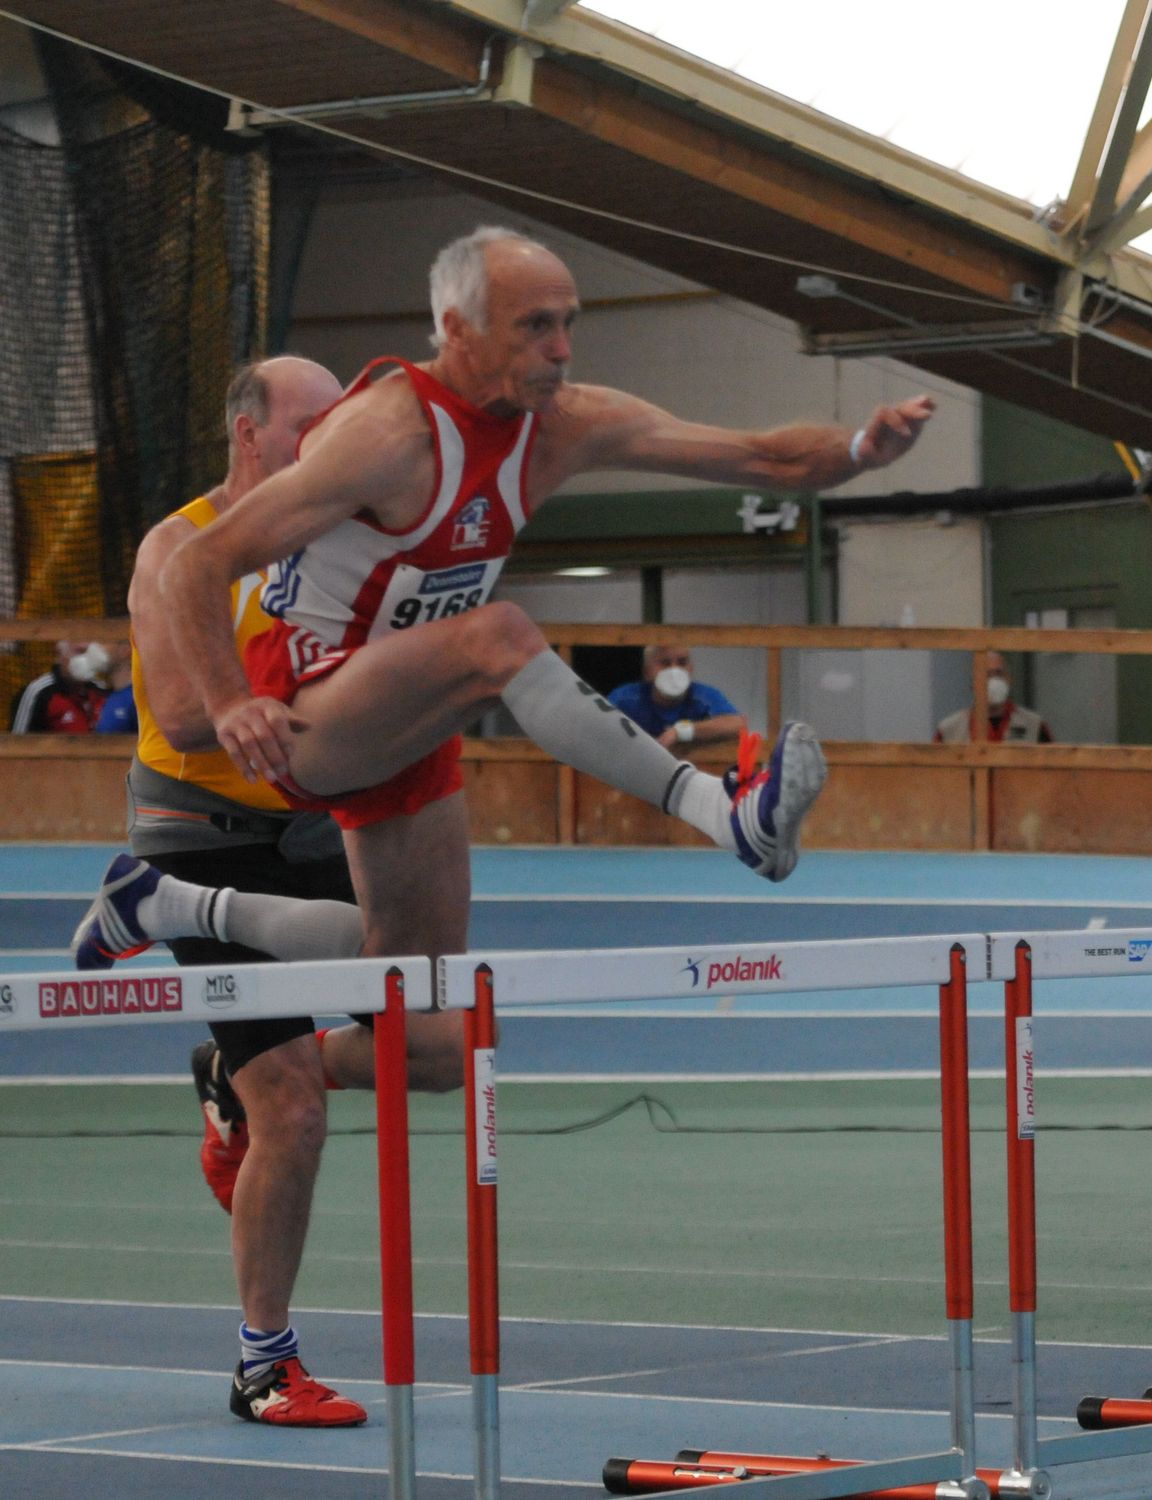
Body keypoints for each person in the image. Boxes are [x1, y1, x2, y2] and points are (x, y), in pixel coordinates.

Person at [151, 225, 930, 992]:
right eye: (534, 327)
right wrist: (229, 702)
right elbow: (197, 563)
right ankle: (724, 814)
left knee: (430, 1020)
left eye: (568, 324)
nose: (561, 350)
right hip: (309, 715)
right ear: (458, 330)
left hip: (414, 711)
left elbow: (762, 456)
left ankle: (183, 923)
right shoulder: (385, 436)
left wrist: (860, 451)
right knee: (499, 637)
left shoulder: (568, 425)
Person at [72, 356, 375, 1427]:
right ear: (250, 434)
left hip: (317, 825)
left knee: (442, 1043)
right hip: (200, 834)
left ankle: (228, 1078)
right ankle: (264, 1366)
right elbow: (186, 715)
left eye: (342, 421)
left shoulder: (344, 541)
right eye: (310, 422)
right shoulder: (180, 547)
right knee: (293, 1109)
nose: (331, 439)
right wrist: (333, 706)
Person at [607, 643, 747, 754]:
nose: (674, 670)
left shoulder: (702, 696)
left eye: (682, 662)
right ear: (647, 672)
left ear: (691, 669)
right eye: (665, 663)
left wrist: (681, 731)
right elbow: (600, 727)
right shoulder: (625, 698)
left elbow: (737, 724)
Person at [936, 651, 1054, 743]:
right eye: (986, 675)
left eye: (999, 674)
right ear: (973, 683)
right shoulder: (950, 730)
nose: (994, 681)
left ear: (1009, 679)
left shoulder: (1034, 726)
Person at [12, 639, 116, 733]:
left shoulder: (101, 690)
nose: (84, 660)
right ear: (60, 653)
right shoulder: (39, 693)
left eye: (87, 654)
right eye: (79, 653)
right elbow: (17, 742)